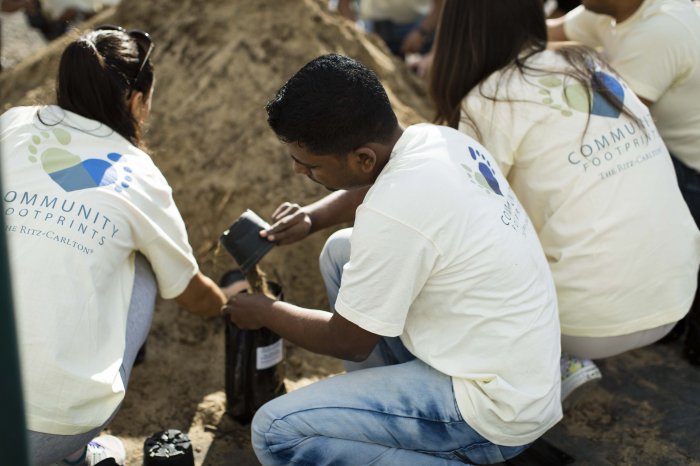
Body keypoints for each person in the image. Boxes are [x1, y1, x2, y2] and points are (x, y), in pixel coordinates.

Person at [226, 53, 562, 465]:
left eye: (309, 165)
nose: (298, 171)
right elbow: (378, 189)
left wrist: (264, 311)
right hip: (518, 370)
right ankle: (392, 425)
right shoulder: (436, 140)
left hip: (492, 409)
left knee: (275, 431)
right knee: (341, 251)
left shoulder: (394, 211)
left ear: (363, 158)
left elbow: (348, 341)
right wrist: (312, 218)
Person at [427, 0, 700, 405]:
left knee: (467, 240)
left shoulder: (488, 101)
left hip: (588, 325)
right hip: (676, 294)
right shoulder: (588, 62)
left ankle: (540, 364)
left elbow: (460, 219)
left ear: (455, 34)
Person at [1, 26, 229, 466]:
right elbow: (188, 290)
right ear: (135, 101)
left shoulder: (13, 124)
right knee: (145, 263)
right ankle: (75, 454)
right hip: (47, 431)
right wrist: (226, 303)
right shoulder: (137, 172)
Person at [547, 0, 700, 364]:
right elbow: (543, 34)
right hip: (668, 144)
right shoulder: (610, 10)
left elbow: (607, 118)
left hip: (690, 164)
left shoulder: (659, 32)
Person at [335, 0, 442, 58]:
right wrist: (357, 34)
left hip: (420, 28)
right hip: (376, 30)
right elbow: (343, 4)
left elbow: (441, 6)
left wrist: (422, 32)